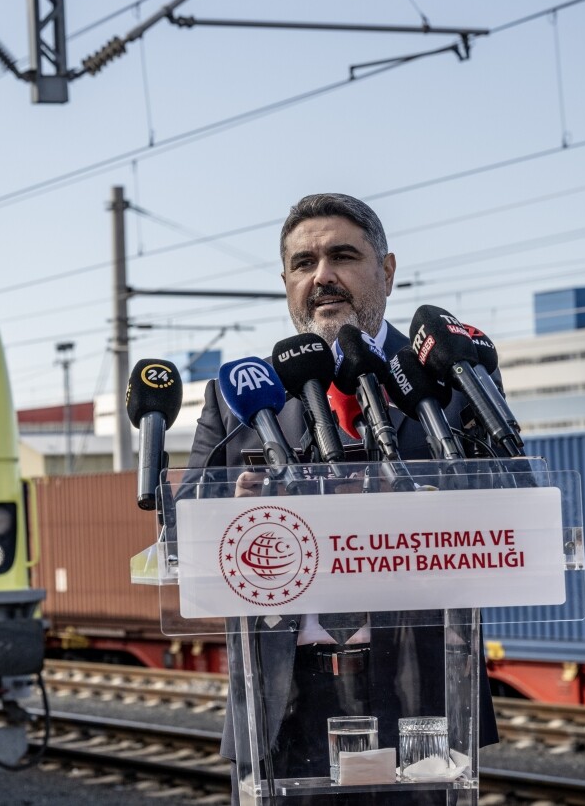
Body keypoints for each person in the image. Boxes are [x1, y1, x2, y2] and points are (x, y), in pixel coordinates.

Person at [185, 193, 498, 804]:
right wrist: (230, 519)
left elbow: (508, 509)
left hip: (425, 691)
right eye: (303, 264)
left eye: (343, 256)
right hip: (284, 699)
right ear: (286, 283)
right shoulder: (238, 396)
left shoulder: (454, 379)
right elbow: (182, 534)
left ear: (387, 270)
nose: (322, 276)